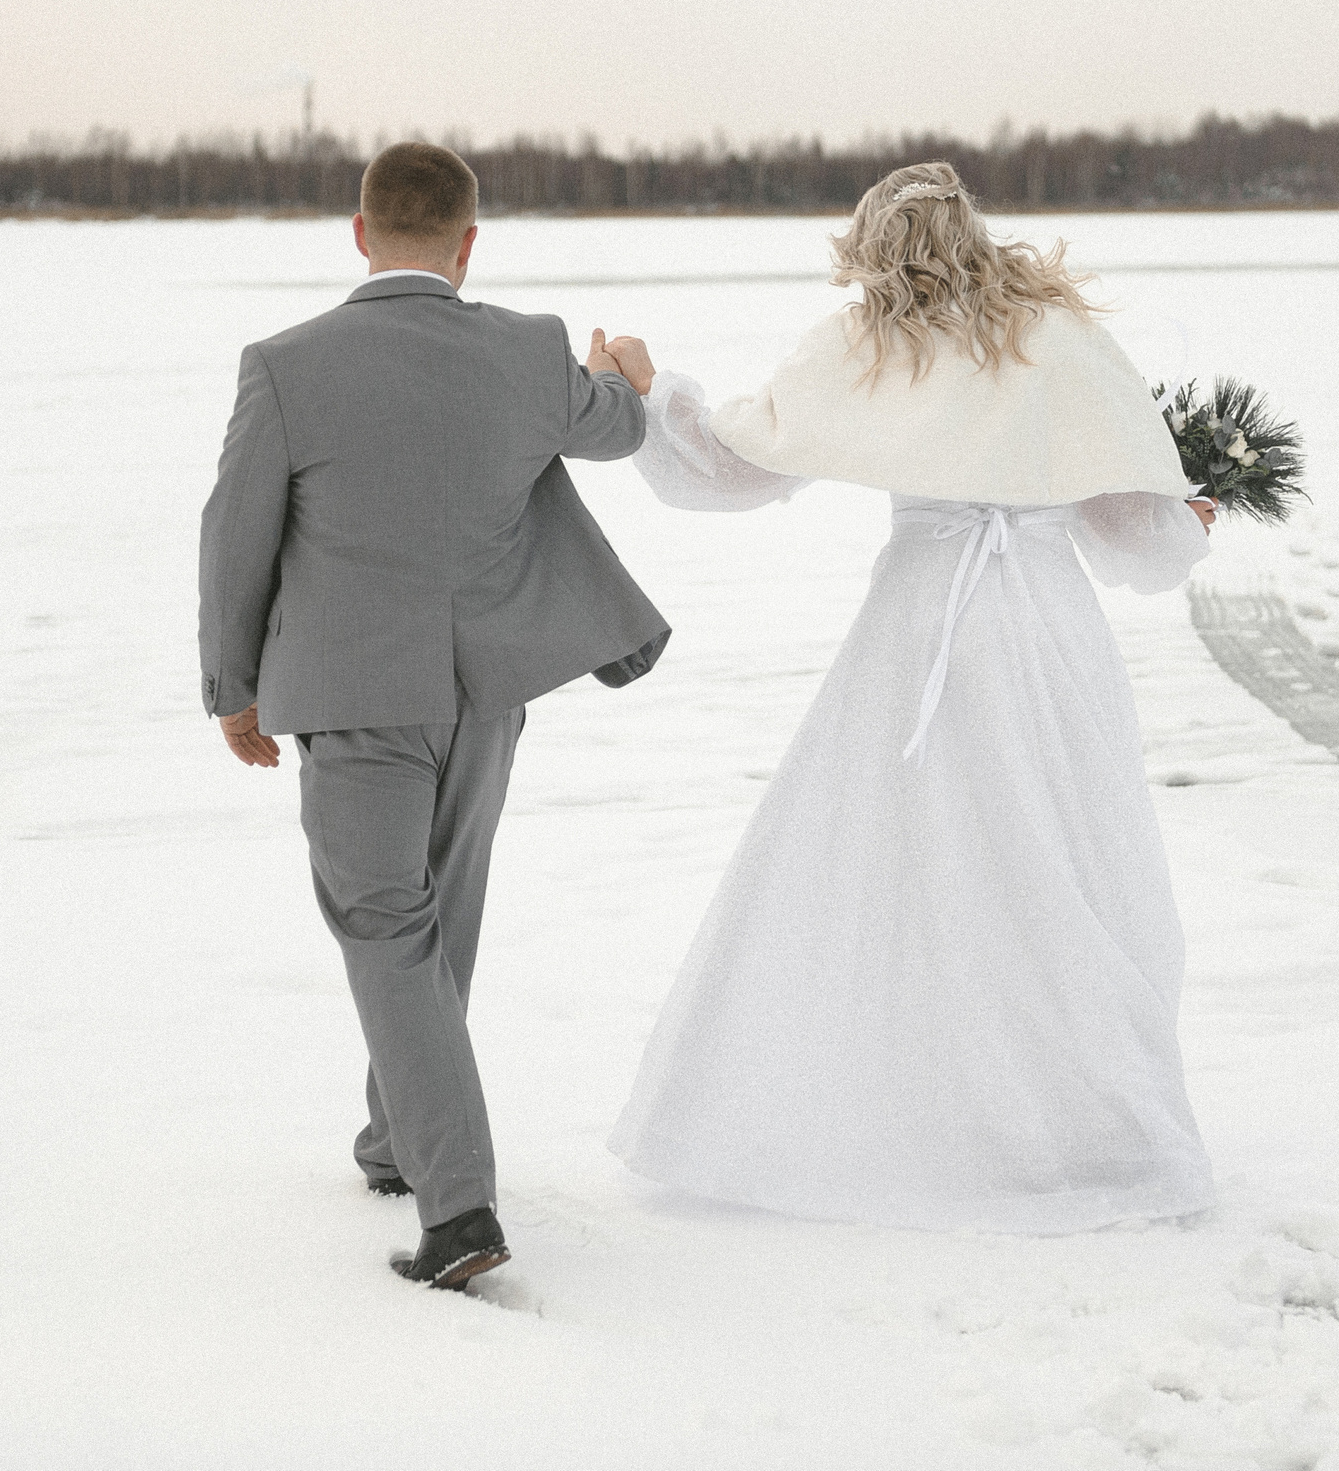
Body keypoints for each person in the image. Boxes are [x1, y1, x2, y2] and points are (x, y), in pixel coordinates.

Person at [601, 163, 1220, 1234]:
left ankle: (902, 1111)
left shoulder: (863, 345)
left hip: (919, 621)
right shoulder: (1057, 339)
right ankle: (1078, 1121)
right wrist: (1191, 520)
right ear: (977, 236)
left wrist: (654, 393)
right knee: (1052, 854)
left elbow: (731, 468)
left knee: (902, 860)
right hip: (1041, 626)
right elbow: (1139, 534)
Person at [197, 141, 669, 1289]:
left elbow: (234, 536)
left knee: (386, 930)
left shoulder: (285, 366)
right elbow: (616, 429)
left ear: (359, 234)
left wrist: (233, 687)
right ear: (468, 244)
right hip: (485, 697)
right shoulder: (526, 350)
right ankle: (395, 1141)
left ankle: (459, 1210)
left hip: (356, 700)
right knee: (431, 925)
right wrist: (629, 376)